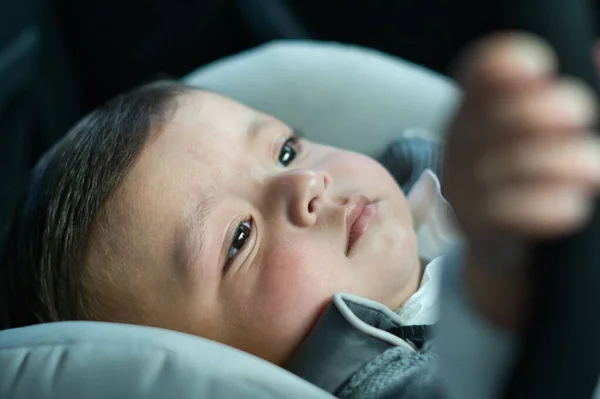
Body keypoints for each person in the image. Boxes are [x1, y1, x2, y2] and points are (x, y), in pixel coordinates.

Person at [1, 32, 599, 398]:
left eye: (286, 150)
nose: (307, 183)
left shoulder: (434, 175)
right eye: (238, 238)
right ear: (220, 368)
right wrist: (500, 278)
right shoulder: (377, 382)